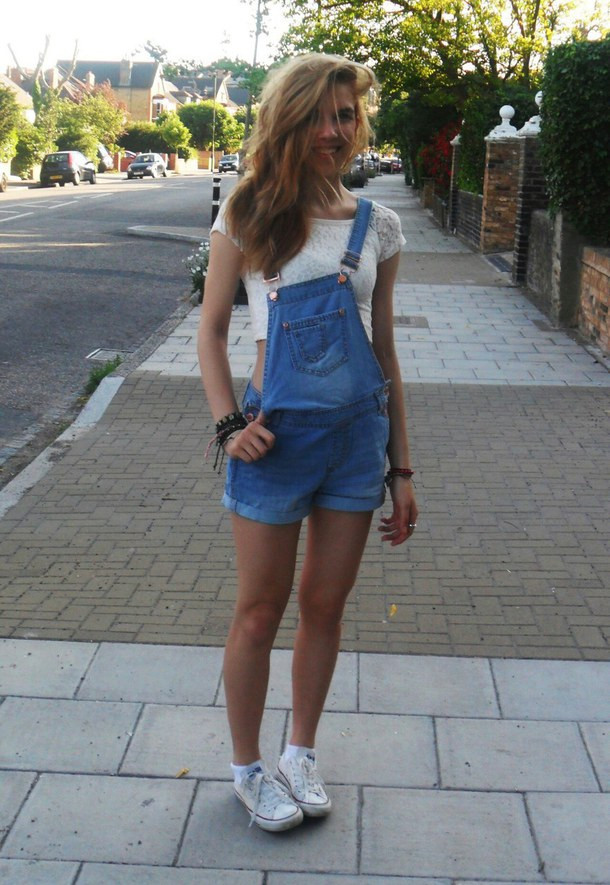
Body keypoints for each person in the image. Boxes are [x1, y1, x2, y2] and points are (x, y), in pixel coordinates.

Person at [197, 52, 418, 832]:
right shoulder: (248, 211)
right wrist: (230, 425)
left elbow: (385, 353)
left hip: (358, 441)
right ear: (288, 120)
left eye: (346, 115)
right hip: (274, 441)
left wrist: (401, 468)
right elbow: (211, 332)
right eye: (319, 116)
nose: (334, 130)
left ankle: (300, 753)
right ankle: (247, 768)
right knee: (259, 611)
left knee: (324, 605)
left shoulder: (378, 225)